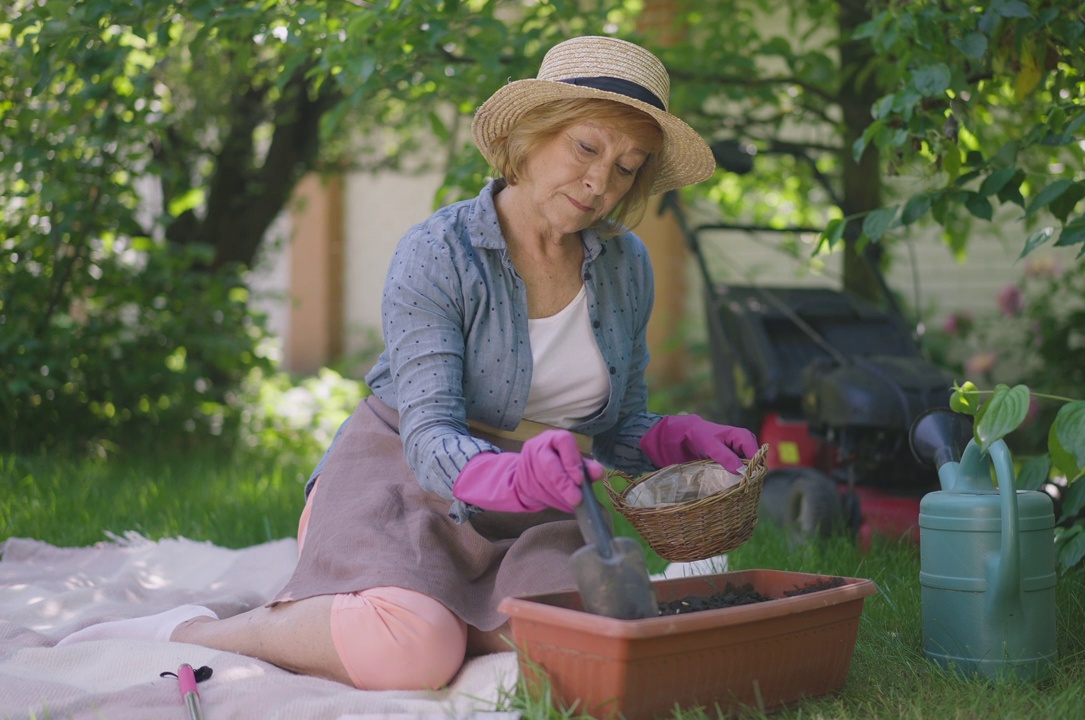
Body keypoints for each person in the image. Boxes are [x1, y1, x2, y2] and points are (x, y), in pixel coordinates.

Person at [58, 35, 759, 691]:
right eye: (585, 147)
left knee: (572, 642)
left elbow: (617, 429)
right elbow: (429, 439)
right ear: (532, 134)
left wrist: (668, 440)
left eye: (626, 166)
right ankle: (202, 630)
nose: (601, 181)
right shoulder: (440, 251)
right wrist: (513, 472)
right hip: (400, 478)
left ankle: (435, 607)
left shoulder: (625, 266)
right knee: (413, 651)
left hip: (534, 500)